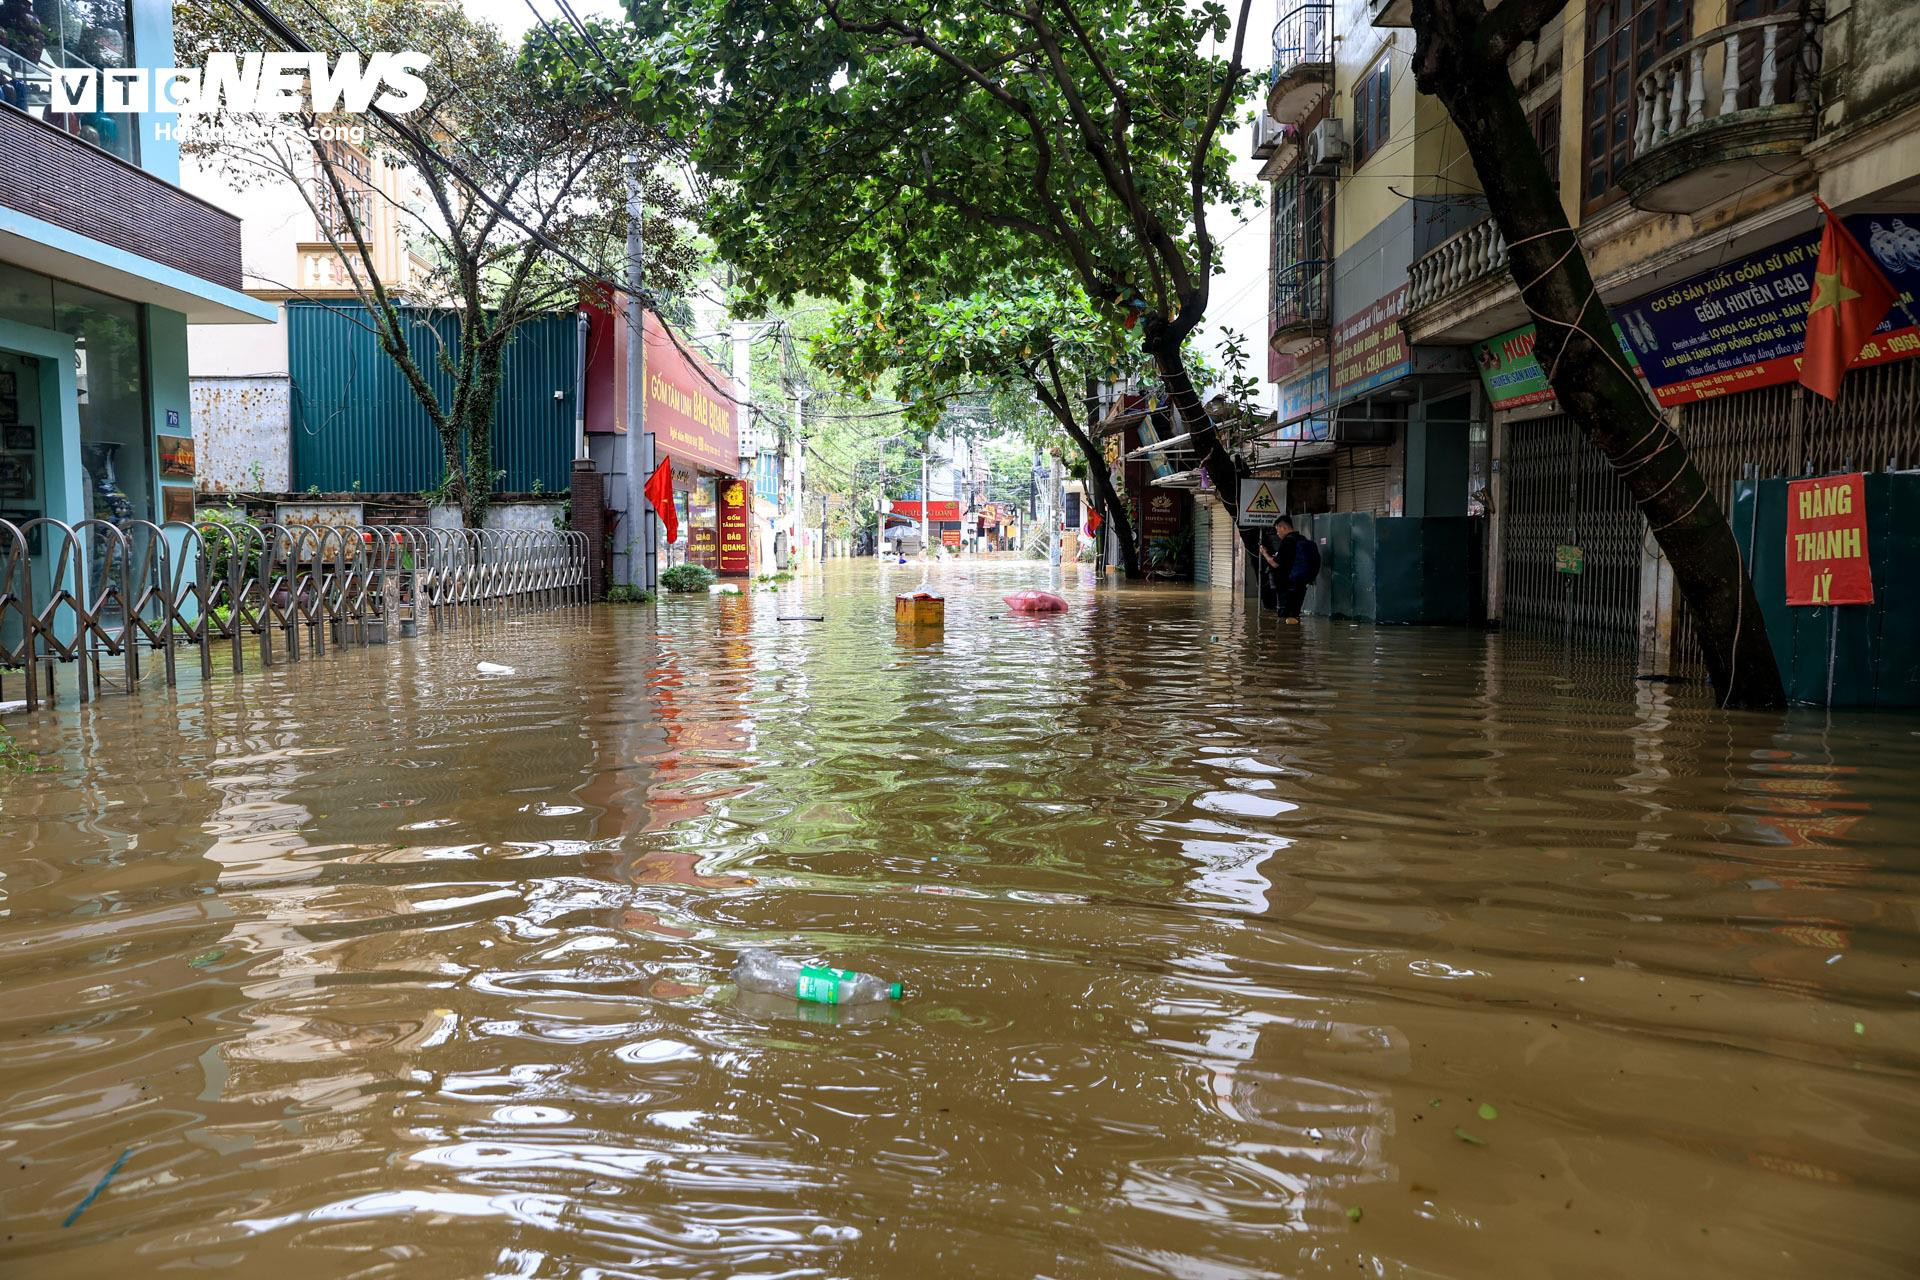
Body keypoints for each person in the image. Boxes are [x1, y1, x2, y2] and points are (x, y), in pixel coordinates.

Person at [1265, 516, 1319, 624]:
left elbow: (1275, 564)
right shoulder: (1302, 539)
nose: (1277, 533)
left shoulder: (1288, 542)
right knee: (1294, 615)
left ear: (1283, 527)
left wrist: (1265, 554)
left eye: (1277, 530)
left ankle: (1286, 638)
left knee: (1284, 618)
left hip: (1287, 586)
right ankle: (1295, 638)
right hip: (1301, 585)